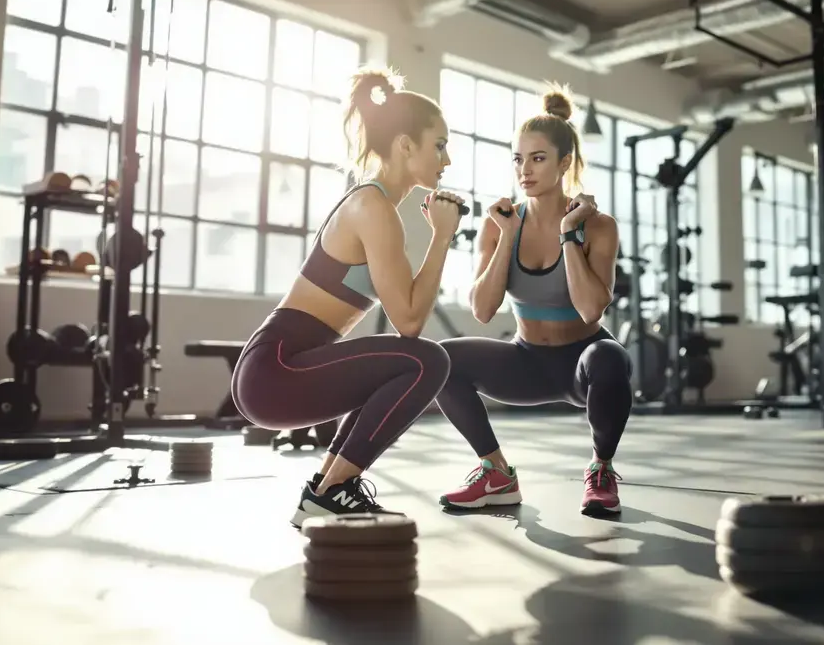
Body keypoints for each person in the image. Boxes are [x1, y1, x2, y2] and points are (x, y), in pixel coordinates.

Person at [231, 68, 467, 526]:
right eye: (439, 144)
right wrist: (441, 238)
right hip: (274, 371)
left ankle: (324, 489)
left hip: (279, 368)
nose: (447, 159)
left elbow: (408, 314)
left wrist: (440, 237)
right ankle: (334, 490)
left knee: (398, 366)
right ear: (404, 145)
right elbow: (411, 323)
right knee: (427, 361)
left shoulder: (378, 206)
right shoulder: (372, 207)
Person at [434, 87, 632, 516]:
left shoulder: (598, 227)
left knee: (612, 359)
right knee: (442, 360)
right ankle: (496, 473)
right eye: (518, 159)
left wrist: (567, 234)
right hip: (528, 363)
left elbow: (590, 310)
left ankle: (601, 470)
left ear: (565, 164)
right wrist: (506, 237)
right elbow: (483, 312)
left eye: (538, 158)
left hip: (584, 363)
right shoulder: (501, 223)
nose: (524, 169)